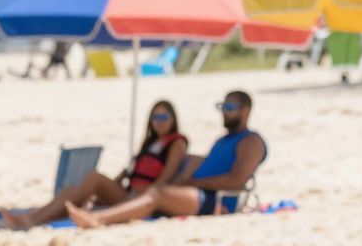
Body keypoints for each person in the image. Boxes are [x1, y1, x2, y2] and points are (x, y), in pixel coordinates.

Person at [69, 91, 266, 225]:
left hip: (218, 200)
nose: (224, 111)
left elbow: (236, 181)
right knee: (155, 192)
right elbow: (210, 164)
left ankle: (98, 219)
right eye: (222, 106)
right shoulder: (224, 140)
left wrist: (192, 182)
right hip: (200, 192)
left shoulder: (251, 142)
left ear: (245, 110)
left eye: (229, 107)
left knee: (158, 194)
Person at [0, 101, 188, 228]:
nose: (159, 122)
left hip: (140, 198)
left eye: (164, 118)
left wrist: (141, 197)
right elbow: (129, 173)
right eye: (155, 117)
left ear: (173, 119)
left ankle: (33, 219)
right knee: (72, 189)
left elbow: (165, 179)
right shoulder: (150, 143)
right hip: (127, 191)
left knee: (94, 178)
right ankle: (34, 216)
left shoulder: (176, 143)